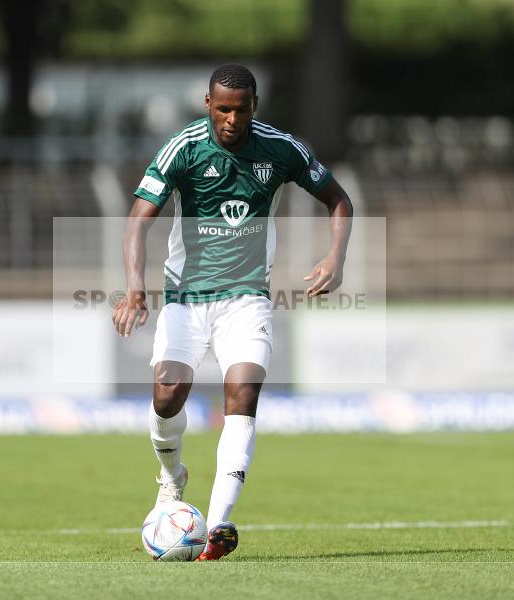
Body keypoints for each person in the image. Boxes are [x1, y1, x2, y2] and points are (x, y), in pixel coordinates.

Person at [112, 63, 353, 561]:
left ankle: (218, 525)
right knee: (167, 395)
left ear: (253, 108)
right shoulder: (184, 148)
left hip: (247, 298)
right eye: (222, 108)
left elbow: (338, 199)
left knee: (242, 393)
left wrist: (335, 257)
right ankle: (171, 478)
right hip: (186, 298)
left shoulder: (280, 148)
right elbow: (138, 223)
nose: (230, 119)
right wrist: (135, 289)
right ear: (207, 104)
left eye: (240, 110)